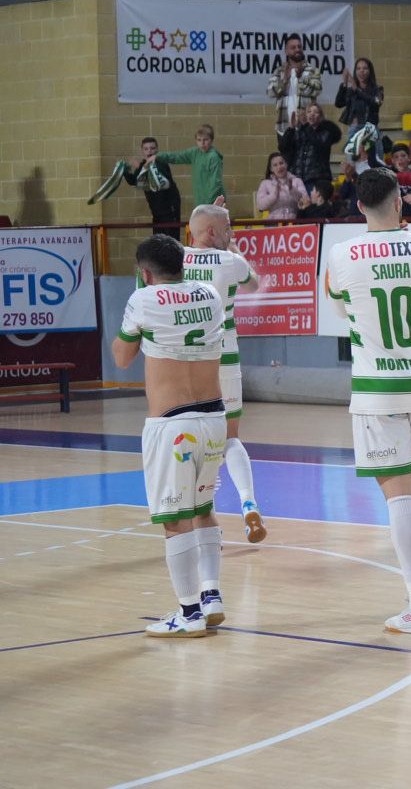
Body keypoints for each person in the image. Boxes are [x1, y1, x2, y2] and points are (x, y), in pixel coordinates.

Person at [324, 168, 411, 633]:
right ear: (401, 201)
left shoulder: (341, 255)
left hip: (377, 388)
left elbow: (341, 306)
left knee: (397, 492)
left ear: (359, 207)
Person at [112, 235, 228, 637]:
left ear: (145, 274)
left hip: (172, 424)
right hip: (215, 417)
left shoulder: (143, 300)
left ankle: (189, 612)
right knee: (203, 508)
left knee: (174, 520)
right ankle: (212, 594)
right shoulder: (210, 293)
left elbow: (121, 357)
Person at [181, 205, 266, 552]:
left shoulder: (177, 257)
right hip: (224, 359)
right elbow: (254, 282)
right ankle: (248, 504)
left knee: (193, 441)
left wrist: (209, 219)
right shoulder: (231, 261)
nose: (232, 232)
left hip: (186, 365)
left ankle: (206, 524)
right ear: (214, 233)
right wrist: (230, 249)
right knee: (230, 438)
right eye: (227, 228)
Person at [124, 137, 182, 234]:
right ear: (142, 151)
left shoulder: (161, 162)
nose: (149, 151)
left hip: (169, 208)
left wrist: (141, 167)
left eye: (152, 148)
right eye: (146, 149)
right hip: (156, 210)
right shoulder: (144, 165)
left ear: (157, 149)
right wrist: (124, 170)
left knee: (171, 239)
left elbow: (162, 181)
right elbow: (134, 181)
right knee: (158, 240)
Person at [159, 124, 226, 210]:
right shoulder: (195, 152)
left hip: (214, 202)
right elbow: (177, 156)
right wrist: (157, 156)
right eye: (199, 140)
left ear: (211, 140)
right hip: (201, 201)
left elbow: (216, 182)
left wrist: (210, 204)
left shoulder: (213, 157)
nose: (202, 143)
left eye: (205, 140)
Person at [254, 153, 308, 220]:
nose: (279, 167)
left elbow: (305, 202)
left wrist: (292, 189)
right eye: (275, 165)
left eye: (281, 163)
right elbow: (260, 205)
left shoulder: (297, 181)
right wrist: (274, 195)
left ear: (286, 164)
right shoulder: (265, 183)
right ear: (271, 169)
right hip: (273, 223)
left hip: (294, 222)